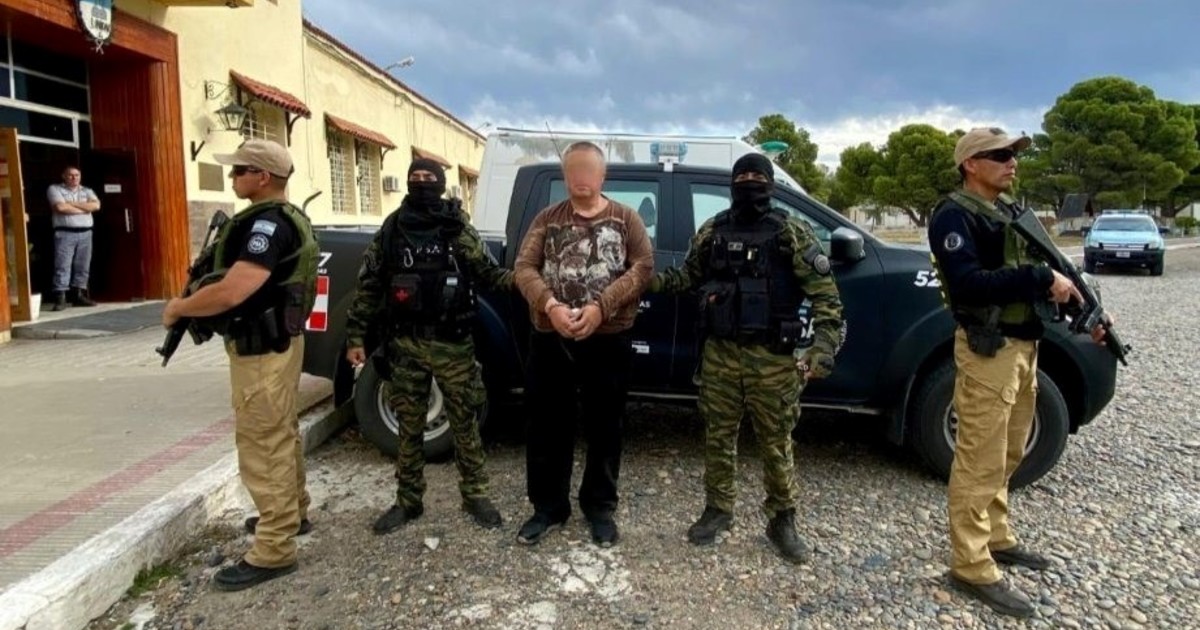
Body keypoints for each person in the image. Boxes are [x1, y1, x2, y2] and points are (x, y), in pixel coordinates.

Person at [928, 127, 1107, 617]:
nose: (1013, 162)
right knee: (979, 457)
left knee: (1009, 449)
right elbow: (968, 283)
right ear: (970, 164)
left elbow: (1052, 270)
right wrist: (1040, 278)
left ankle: (996, 535)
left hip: (1025, 346)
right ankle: (970, 564)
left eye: (1014, 154)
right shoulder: (954, 216)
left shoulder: (1008, 211)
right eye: (1000, 155)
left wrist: (1087, 310)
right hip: (989, 349)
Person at [648, 153, 844, 563]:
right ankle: (718, 509)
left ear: (770, 184)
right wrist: (644, 279)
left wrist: (821, 349)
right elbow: (687, 277)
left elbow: (827, 298)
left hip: (773, 359)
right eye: (743, 175)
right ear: (733, 183)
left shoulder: (791, 232)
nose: (749, 181)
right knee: (718, 436)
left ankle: (782, 519)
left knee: (776, 442)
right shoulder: (713, 230)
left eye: (758, 175)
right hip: (720, 355)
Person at [161, 139, 319, 591]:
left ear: (263, 177)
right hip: (277, 344)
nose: (232, 177)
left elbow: (235, 289)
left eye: (239, 171)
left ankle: (274, 550)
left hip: (262, 349)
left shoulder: (266, 226)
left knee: (263, 443)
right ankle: (293, 514)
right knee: (281, 433)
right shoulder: (285, 218)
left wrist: (179, 308)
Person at [344, 158, 512, 534]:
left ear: (440, 183)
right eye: (415, 177)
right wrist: (356, 336)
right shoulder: (393, 228)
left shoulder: (456, 227)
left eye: (428, 178)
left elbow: (487, 273)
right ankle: (408, 501)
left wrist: (529, 282)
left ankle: (476, 496)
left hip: (453, 345)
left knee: (465, 421)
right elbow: (369, 285)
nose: (421, 183)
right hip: (406, 343)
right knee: (409, 425)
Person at [513, 141, 653, 548]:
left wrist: (600, 307)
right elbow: (524, 267)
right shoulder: (547, 219)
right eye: (573, 171)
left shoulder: (625, 219)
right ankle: (548, 508)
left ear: (603, 176)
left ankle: (600, 508)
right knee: (546, 426)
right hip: (550, 338)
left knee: (606, 427)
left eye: (588, 171)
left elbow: (643, 267)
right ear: (564, 175)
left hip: (608, 339)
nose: (580, 179)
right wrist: (550, 305)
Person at [47, 166, 100, 311]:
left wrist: (71, 204)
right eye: (70, 175)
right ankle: (60, 297)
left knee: (83, 265)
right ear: (63, 176)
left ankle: (78, 295)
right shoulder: (55, 189)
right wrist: (85, 208)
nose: (74, 178)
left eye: (77, 175)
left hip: (86, 232)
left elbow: (96, 206)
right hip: (65, 232)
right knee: (62, 265)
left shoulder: (86, 190)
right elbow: (60, 208)